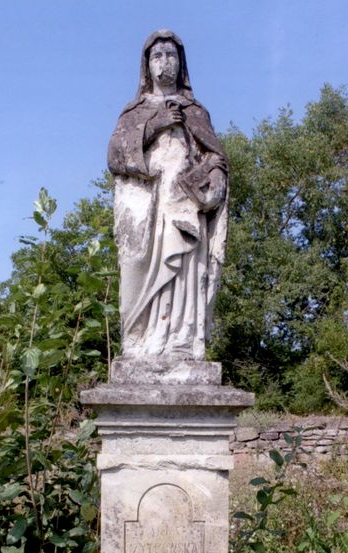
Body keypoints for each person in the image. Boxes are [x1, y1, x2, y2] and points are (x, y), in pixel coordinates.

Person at [108, 30, 228, 359]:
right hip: (144, 205)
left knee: (185, 270)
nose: (165, 63)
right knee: (134, 264)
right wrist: (155, 124)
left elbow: (215, 158)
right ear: (147, 65)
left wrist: (215, 178)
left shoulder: (195, 111)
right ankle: (137, 343)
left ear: (181, 63)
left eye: (171, 56)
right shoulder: (134, 111)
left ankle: (180, 340)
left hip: (182, 205)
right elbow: (115, 156)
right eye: (158, 56)